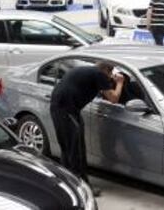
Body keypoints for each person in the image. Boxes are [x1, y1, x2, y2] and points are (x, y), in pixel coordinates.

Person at [50, 62, 124, 195]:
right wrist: (120, 82)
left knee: (69, 149)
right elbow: (113, 98)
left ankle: (68, 185)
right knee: (76, 150)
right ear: (108, 71)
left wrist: (108, 82)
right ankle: (81, 189)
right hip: (67, 110)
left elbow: (95, 89)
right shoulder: (99, 74)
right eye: (110, 75)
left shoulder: (89, 72)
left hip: (61, 108)